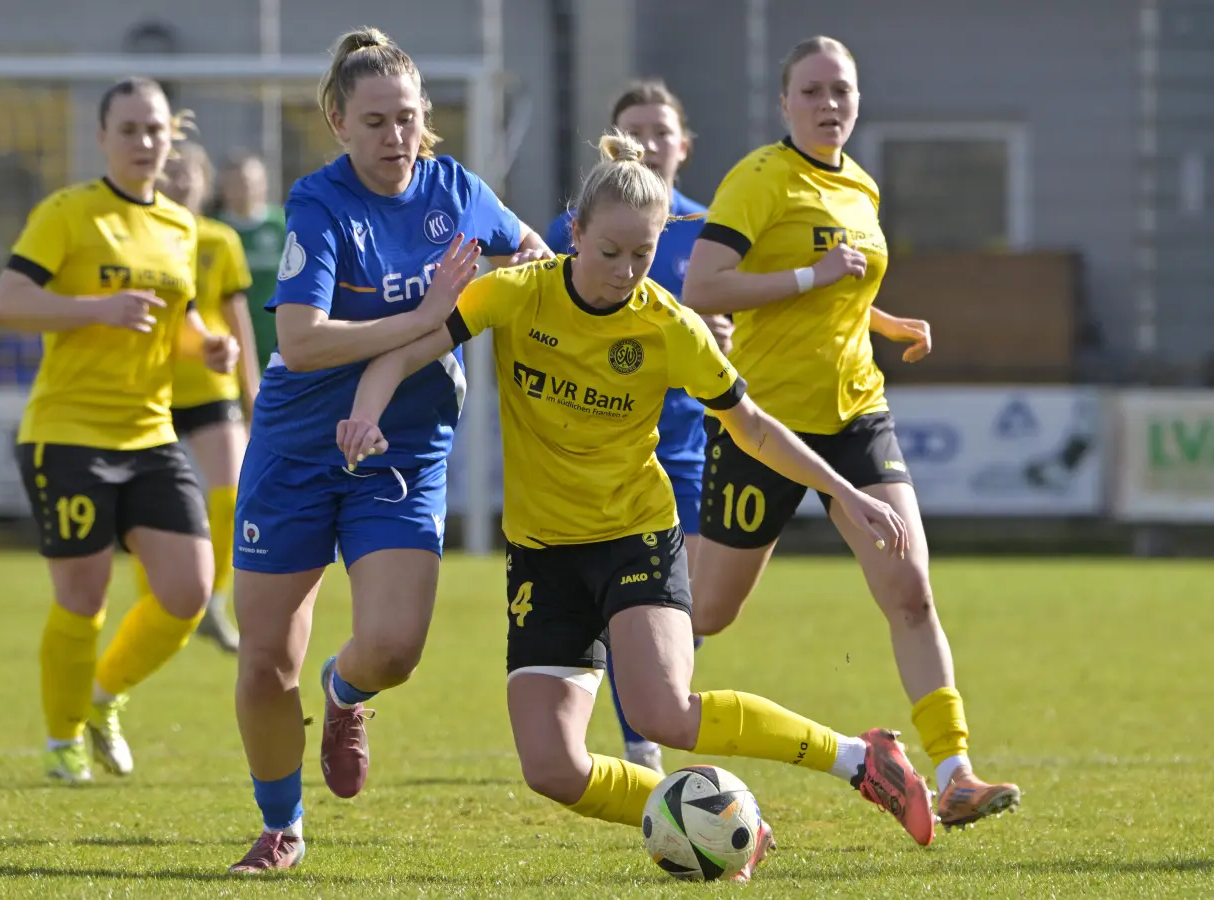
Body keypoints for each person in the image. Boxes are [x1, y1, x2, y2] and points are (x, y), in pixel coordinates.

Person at [339, 132, 936, 882]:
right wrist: (366, 413)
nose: (625, 272)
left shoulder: (667, 325)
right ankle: (724, 820)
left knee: (663, 714)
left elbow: (751, 425)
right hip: (544, 553)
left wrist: (847, 494)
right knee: (551, 768)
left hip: (635, 536)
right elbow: (406, 347)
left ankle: (859, 759)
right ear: (575, 232)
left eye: (644, 256)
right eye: (610, 251)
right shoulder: (516, 293)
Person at [228, 26, 553, 875]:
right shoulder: (318, 203)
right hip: (299, 446)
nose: (395, 138)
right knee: (265, 660)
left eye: (407, 118)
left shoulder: (458, 190)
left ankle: (346, 694)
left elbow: (532, 256)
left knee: (396, 647)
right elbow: (299, 343)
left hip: (406, 445)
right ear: (337, 121)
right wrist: (425, 321)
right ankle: (281, 825)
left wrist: (533, 281)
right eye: (374, 121)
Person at [680, 36, 1020, 831]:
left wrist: (884, 320)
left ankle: (955, 770)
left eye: (842, 90)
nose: (830, 104)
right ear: (785, 104)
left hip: (856, 413)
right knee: (709, 611)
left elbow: (837, 291)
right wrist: (812, 277)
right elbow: (703, 287)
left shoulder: (861, 186)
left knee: (909, 587)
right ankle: (634, 700)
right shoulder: (759, 179)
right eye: (813, 91)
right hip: (761, 423)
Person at [0, 77, 240, 784]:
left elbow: (180, 317)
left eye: (155, 129)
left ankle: (101, 697)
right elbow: (7, 303)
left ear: (172, 137)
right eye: (129, 129)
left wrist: (207, 345)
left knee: (189, 592)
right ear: (102, 138)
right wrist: (95, 310)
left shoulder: (181, 225)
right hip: (67, 433)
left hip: (150, 435)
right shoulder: (68, 213)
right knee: (84, 596)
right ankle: (62, 738)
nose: (144, 142)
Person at [543, 79, 728, 777]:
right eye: (634, 129)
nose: (649, 143)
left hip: (688, 443)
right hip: (607, 450)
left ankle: (647, 704)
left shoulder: (712, 228)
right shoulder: (587, 226)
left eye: (661, 130)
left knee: (693, 609)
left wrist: (722, 332)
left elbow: (740, 319)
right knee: (636, 600)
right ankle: (641, 741)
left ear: (684, 143)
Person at [141, 143, 259, 654]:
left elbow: (238, 319)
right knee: (143, 504)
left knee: (231, 491)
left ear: (205, 180)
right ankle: (158, 607)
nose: (180, 180)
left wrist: (250, 386)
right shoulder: (143, 233)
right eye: (170, 171)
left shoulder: (220, 239)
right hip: (154, 383)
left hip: (213, 382)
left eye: (188, 171)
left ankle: (215, 602)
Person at [215, 151, 285, 373]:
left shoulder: (285, 225)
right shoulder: (214, 231)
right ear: (223, 187)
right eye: (236, 183)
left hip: (280, 342)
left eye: (251, 182)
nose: (245, 189)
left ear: (264, 183)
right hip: (228, 345)